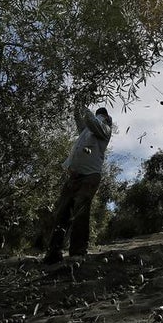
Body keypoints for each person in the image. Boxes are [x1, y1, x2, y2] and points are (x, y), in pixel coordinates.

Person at [44, 105, 113, 264]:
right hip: (74, 176)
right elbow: (82, 123)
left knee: (80, 211)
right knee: (62, 212)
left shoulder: (105, 129)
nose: (100, 118)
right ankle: (54, 252)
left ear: (106, 118)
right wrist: (77, 109)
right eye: (99, 116)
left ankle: (77, 252)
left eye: (101, 116)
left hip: (90, 176)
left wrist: (84, 106)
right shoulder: (87, 131)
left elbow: (90, 121)